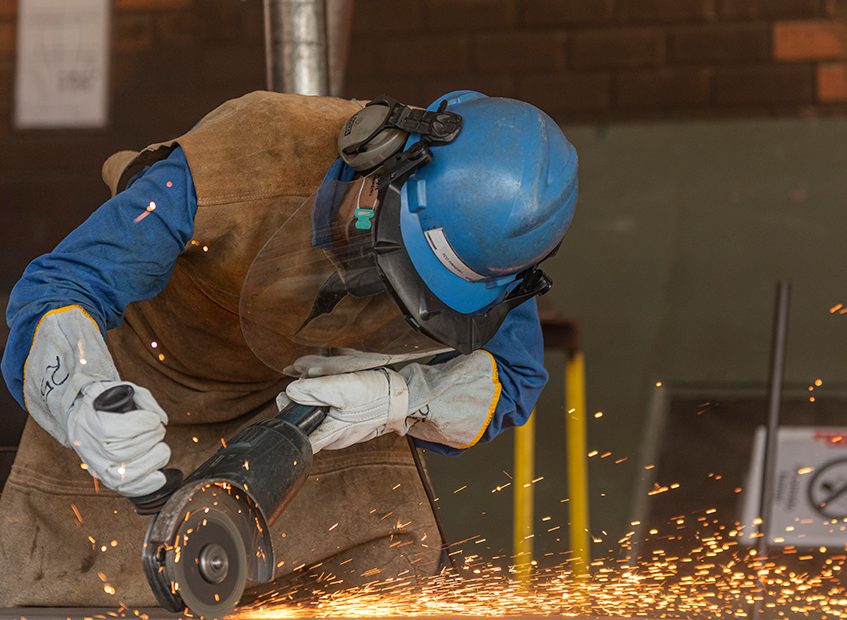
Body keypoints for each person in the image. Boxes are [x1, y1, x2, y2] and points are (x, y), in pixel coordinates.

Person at [0, 90, 578, 607]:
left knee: (386, 583)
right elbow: (61, 284)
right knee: (67, 577)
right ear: (384, 159)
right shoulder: (243, 155)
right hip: (152, 393)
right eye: (397, 253)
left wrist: (397, 398)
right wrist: (81, 396)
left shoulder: (494, 256)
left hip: (319, 417)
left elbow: (514, 378)